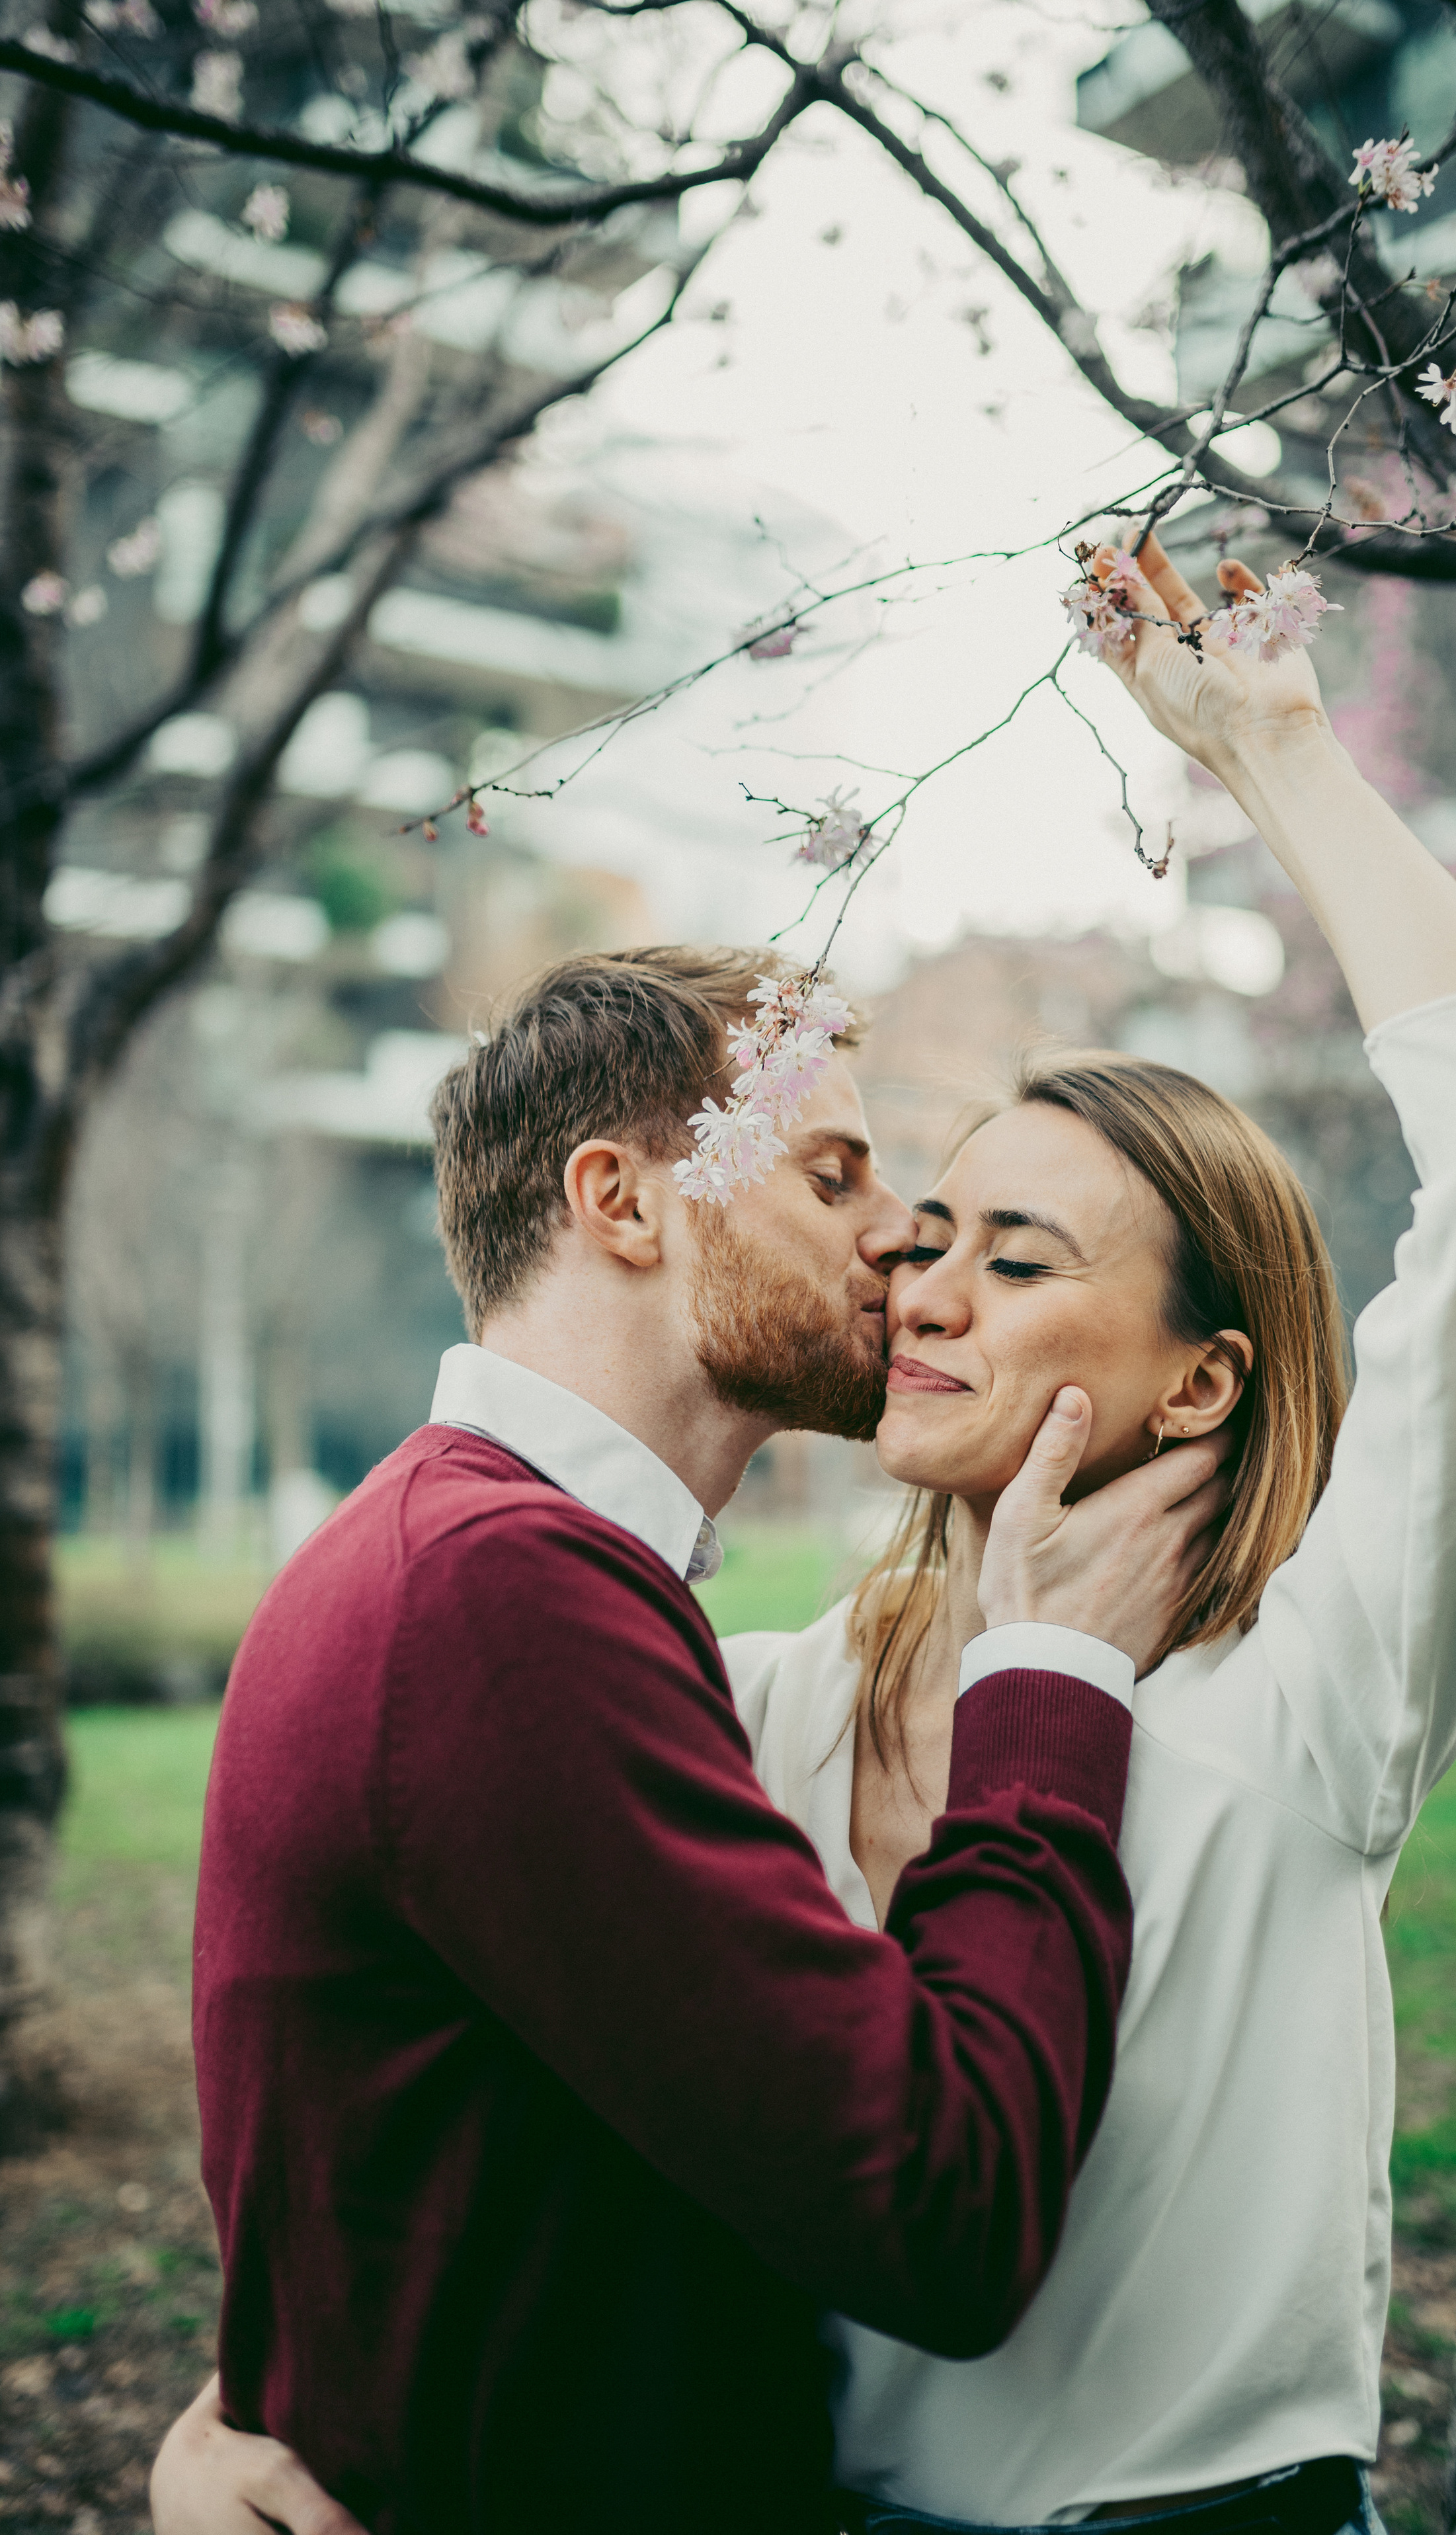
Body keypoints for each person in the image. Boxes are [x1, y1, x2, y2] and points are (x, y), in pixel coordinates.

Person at [155, 535, 1456, 2535]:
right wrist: (237, 2402)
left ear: (1202, 1378)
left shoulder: (1319, 1672)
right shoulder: (749, 1697)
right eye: (914, 1227)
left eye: (1009, 1259)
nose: (913, 1283)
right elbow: (480, 2064)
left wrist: (1272, 753)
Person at [171, 940, 1233, 2535]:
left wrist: (234, 2396)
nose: (900, 1238)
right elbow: (940, 2213)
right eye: (830, 1176)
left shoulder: (467, 1555)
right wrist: (1051, 1684)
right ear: (621, 1203)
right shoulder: (498, 1600)